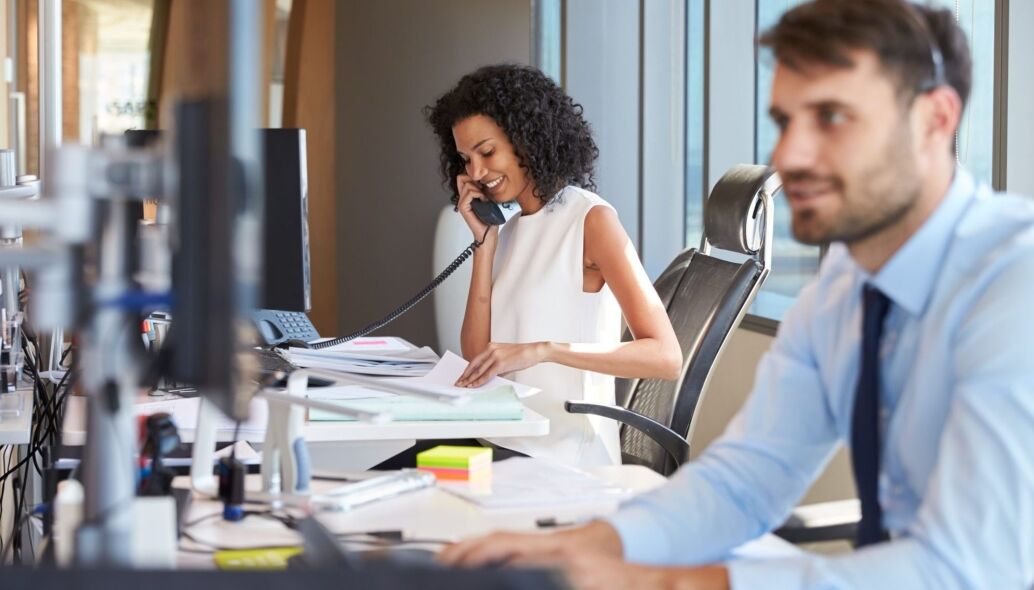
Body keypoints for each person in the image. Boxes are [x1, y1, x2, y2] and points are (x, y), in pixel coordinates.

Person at [437, 1, 1034, 588]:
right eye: (785, 122)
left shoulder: (1012, 284)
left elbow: (968, 567)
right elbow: (745, 481)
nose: (790, 156)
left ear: (935, 120)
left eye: (830, 117)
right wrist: (577, 547)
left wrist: (677, 582)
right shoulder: (844, 294)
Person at [425, 65, 682, 467]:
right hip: (505, 443)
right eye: (465, 159)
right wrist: (484, 243)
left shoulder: (591, 220)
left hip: (564, 456)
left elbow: (665, 357)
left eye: (487, 152)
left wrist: (545, 351)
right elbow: (478, 355)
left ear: (526, 140)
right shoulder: (509, 228)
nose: (475, 172)